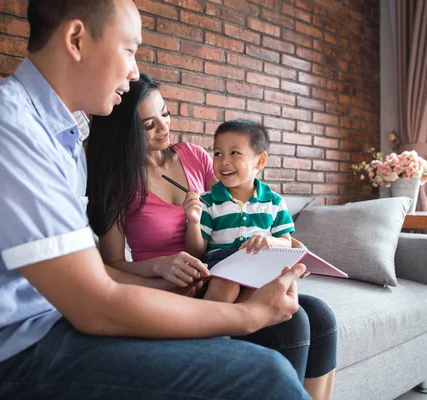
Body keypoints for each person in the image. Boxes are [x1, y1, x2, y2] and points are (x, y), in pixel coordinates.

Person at [0, 1, 311, 399]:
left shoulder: (62, 138)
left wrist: (157, 280)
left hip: (51, 322)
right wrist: (247, 315)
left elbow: (88, 273)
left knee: (290, 328)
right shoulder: (3, 130)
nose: (135, 71)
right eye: (129, 49)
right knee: (264, 375)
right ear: (77, 38)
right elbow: (95, 304)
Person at [88, 73, 338, 400]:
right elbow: (112, 264)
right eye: (149, 125)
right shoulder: (118, 183)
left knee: (320, 315)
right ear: (125, 131)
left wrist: (282, 241)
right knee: (294, 323)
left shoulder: (194, 155)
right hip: (181, 290)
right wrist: (159, 266)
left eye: (165, 113)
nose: (164, 127)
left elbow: (231, 213)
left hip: (223, 271)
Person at [184, 119, 294, 304]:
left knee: (264, 288)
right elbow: (196, 252)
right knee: (227, 284)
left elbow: (287, 244)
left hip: (259, 269)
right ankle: (211, 330)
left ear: (260, 160)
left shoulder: (274, 202)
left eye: (234, 153)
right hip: (220, 271)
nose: (224, 161)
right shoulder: (208, 201)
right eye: (218, 153)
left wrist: (271, 240)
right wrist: (194, 221)